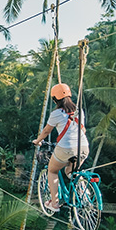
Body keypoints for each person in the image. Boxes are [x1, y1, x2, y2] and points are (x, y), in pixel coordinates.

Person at [32, 83, 89, 212]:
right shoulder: (79, 110)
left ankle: (54, 203)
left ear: (54, 99)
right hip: (83, 147)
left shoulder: (57, 113)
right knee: (71, 171)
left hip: (65, 148)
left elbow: (46, 131)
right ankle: (83, 190)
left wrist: (38, 141)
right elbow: (83, 130)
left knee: (52, 171)